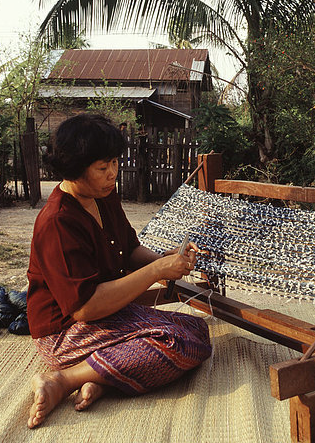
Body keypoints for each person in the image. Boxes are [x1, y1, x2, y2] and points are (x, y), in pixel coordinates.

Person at [26, 113, 211, 429]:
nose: (113, 173)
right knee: (176, 344)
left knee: (197, 331)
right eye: (102, 167)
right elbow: (85, 307)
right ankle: (64, 379)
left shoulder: (103, 195)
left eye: (114, 162)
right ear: (74, 169)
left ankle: (103, 377)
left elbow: (128, 250)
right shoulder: (58, 221)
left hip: (104, 315)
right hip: (65, 332)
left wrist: (165, 262)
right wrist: (156, 271)